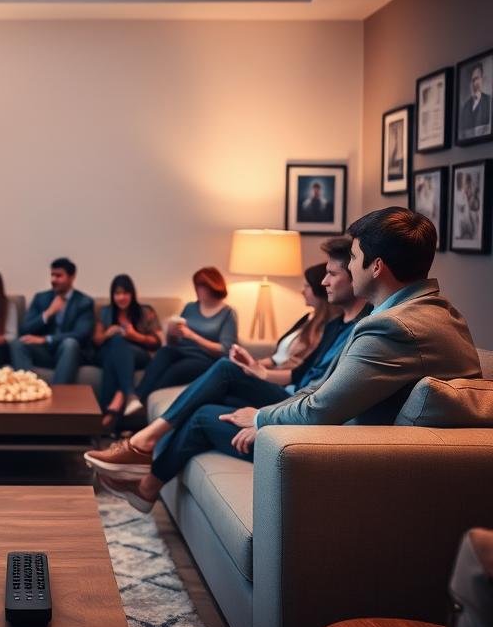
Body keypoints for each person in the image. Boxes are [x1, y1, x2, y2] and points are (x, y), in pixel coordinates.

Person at [87, 208, 481, 513]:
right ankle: (144, 463)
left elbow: (321, 408)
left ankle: (144, 468)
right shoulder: (440, 312)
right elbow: (324, 388)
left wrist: (260, 418)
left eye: (354, 257)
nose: (348, 267)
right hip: (363, 441)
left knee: (207, 415)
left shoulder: (391, 328)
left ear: (376, 267)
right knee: (217, 390)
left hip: (341, 452)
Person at [123, 267, 237, 419]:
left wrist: (192, 336)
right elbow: (174, 342)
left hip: (204, 359)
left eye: (200, 286)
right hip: (181, 351)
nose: (197, 290)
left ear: (212, 287)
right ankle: (135, 399)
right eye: (196, 286)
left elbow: (225, 349)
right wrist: (171, 333)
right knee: (163, 353)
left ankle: (137, 410)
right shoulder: (190, 307)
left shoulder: (227, 313)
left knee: (175, 371)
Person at [93, 274, 163, 430]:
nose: (121, 297)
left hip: (139, 355)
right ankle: (123, 404)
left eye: (125, 293)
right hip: (109, 354)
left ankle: (106, 418)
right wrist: (107, 334)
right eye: (117, 293)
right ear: (112, 295)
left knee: (117, 346)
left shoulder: (145, 311)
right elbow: (96, 340)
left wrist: (135, 336)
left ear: (132, 294)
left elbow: (157, 342)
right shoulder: (105, 312)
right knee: (113, 350)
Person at [9, 257, 94, 384]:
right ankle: (28, 388)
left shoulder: (84, 302)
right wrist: (47, 313)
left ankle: (59, 394)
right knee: (18, 343)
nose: (53, 280)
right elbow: (24, 329)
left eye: (59, 276)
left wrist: (46, 339)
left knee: (70, 343)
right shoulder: (41, 298)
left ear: (72, 277)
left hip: (70, 353)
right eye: (52, 275)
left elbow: (81, 334)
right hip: (45, 352)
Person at [260, 261, 339, 372]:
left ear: (319, 288)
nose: (302, 291)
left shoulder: (329, 327)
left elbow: (298, 369)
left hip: (281, 377)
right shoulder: (308, 317)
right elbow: (276, 359)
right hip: (273, 371)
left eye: (307, 286)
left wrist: (263, 372)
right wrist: (254, 365)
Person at [460, 63, 492, 136]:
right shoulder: (465, 107)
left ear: (482, 79)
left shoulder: (490, 101)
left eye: (477, 78)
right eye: (472, 80)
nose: (475, 83)